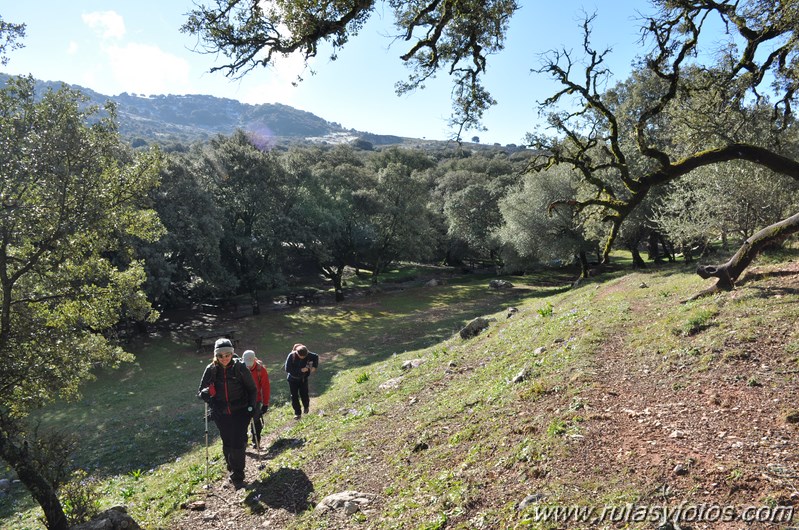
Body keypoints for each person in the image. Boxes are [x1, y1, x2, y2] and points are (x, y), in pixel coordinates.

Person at [197, 338, 256, 486]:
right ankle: (232, 466)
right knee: (227, 441)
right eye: (220, 355)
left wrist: (252, 408)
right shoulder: (211, 369)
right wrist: (204, 393)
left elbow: (252, 389)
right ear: (216, 355)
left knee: (236, 441)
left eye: (227, 354)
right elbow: (200, 391)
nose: (224, 358)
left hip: (240, 411)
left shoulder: (240, 367)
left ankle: (238, 476)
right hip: (220, 412)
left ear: (232, 353)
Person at [241, 349, 270, 448]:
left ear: (255, 360)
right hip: (241, 400)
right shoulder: (238, 368)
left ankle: (256, 441)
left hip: (255, 400)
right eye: (246, 363)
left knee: (256, 421)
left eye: (250, 363)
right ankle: (243, 442)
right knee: (242, 422)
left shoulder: (261, 370)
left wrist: (265, 404)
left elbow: (266, 388)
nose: (248, 366)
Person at [284, 343, 319, 420]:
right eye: (301, 356)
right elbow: (287, 369)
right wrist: (300, 370)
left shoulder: (308, 354)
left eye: (304, 357)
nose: (303, 358)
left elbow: (316, 356)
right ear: (297, 353)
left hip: (303, 379)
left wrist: (314, 367)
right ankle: (297, 413)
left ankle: (306, 407)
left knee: (304, 394)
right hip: (292, 379)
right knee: (294, 396)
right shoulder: (291, 356)